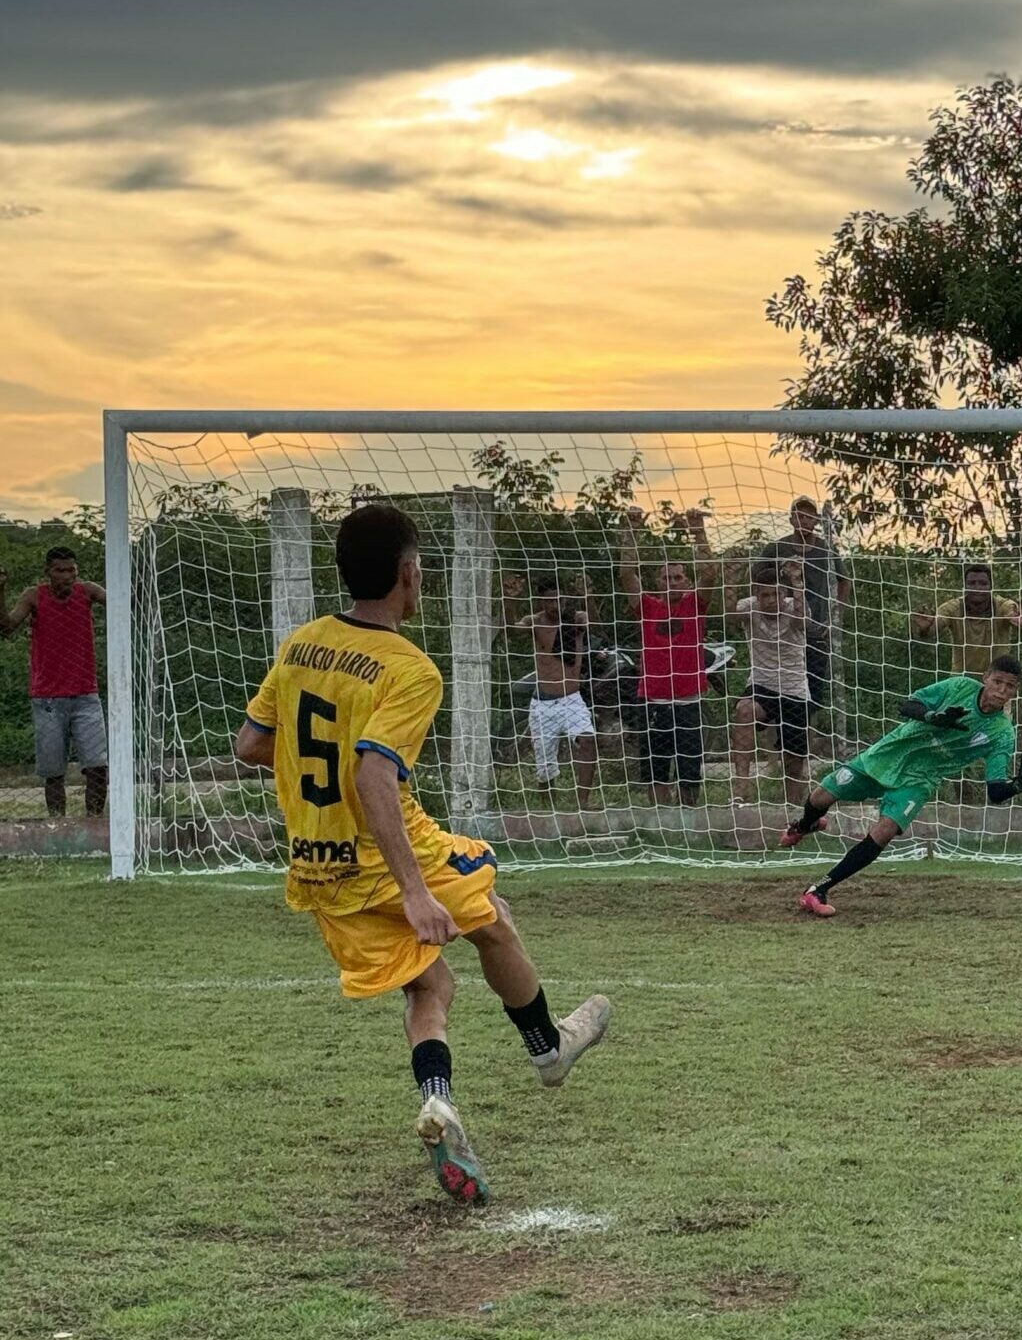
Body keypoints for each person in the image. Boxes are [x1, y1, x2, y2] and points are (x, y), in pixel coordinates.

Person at [230, 503, 611, 1207]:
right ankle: (548, 1050)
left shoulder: (302, 645)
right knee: (491, 908)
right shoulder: (410, 669)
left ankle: (439, 1104)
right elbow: (373, 773)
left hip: (322, 868)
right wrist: (412, 887)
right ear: (411, 575)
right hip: (388, 856)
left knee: (429, 986)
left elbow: (251, 743)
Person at [780, 655, 1022, 917]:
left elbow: (996, 792)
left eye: (1009, 686)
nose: (1001, 690)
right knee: (820, 798)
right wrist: (932, 717)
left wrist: (1020, 785)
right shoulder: (959, 687)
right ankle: (805, 825)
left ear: (1015, 691)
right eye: (997, 681)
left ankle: (819, 889)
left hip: (919, 779)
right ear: (985, 677)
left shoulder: (1002, 733)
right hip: (888, 755)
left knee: (885, 830)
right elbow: (907, 705)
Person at [0, 549, 108, 818]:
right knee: (53, 770)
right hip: (47, 698)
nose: (67, 576)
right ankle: (57, 824)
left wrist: (135, 584)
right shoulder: (34, 596)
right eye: (60, 571)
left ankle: (95, 821)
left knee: (97, 766)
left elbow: (120, 602)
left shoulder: (87, 592)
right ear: (48, 572)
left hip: (85, 694)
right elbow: (5, 628)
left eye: (71, 570)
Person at [616, 506, 718, 806]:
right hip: (653, 700)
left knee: (689, 769)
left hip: (688, 700)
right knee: (654, 769)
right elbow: (626, 573)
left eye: (677, 577)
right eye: (666, 578)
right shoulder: (647, 607)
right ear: (657, 582)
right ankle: (661, 822)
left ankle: (687, 820)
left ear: (685, 581)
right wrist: (633, 529)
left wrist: (697, 530)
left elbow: (710, 572)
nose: (672, 582)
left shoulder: (695, 604)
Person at [725, 557, 815, 806]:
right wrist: (730, 579)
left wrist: (797, 582)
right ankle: (740, 790)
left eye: (776, 594)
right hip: (762, 683)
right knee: (744, 710)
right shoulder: (750, 607)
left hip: (794, 687)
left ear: (783, 594)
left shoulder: (795, 605)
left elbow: (803, 623)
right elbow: (729, 616)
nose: (771, 601)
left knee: (793, 761)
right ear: (757, 595)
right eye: (765, 596)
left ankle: (793, 807)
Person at [753, 496, 849, 716]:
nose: (804, 521)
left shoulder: (826, 549)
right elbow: (755, 580)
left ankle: (806, 740)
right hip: (784, 631)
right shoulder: (777, 548)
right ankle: (777, 739)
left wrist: (835, 618)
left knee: (812, 692)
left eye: (808, 517)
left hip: (816, 629)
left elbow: (844, 581)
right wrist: (761, 618)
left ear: (815, 521)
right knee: (777, 687)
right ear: (791, 520)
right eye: (799, 516)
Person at [509, 578, 599, 808]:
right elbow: (511, 631)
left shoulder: (576, 619)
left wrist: (588, 595)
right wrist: (510, 599)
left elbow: (595, 625)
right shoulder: (535, 622)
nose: (555, 605)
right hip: (543, 704)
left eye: (560, 599)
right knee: (545, 767)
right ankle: (549, 811)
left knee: (588, 741)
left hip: (571, 699)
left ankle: (583, 804)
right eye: (550, 600)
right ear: (541, 601)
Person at [909, 562, 1022, 676]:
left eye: (983, 583)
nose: (977, 587)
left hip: (997, 679)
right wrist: (925, 628)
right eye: (972, 583)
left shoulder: (1003, 605)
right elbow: (931, 631)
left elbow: (1017, 619)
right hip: (961, 678)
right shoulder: (952, 608)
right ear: (964, 586)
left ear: (991, 586)